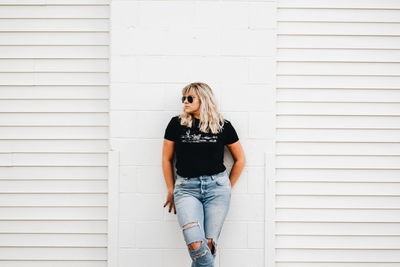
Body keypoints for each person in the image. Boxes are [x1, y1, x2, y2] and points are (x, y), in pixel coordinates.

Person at [161, 82, 246, 266]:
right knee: (195, 244)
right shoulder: (176, 124)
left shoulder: (223, 125)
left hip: (217, 190)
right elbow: (166, 159)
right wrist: (170, 187)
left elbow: (240, 159)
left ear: (203, 99)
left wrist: (227, 186)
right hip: (186, 189)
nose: (185, 102)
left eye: (189, 98)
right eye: (183, 98)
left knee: (208, 245)